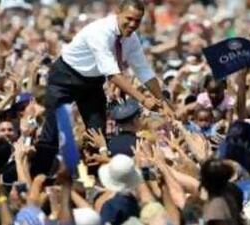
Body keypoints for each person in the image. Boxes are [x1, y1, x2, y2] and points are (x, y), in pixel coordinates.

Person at [34, 0, 170, 175]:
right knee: (52, 133)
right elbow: (113, 75)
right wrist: (143, 99)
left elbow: (144, 71)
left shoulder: (132, 38)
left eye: (137, 21)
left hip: (92, 83)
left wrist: (162, 100)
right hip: (65, 78)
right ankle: (35, 179)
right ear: (117, 12)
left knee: (97, 133)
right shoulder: (100, 32)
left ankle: (94, 180)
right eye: (129, 19)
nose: (132, 24)